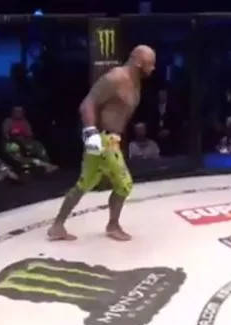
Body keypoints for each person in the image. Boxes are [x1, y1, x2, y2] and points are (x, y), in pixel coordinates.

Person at [47, 45, 156, 242]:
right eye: (151, 63)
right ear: (139, 62)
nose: (153, 67)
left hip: (111, 138)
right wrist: (90, 132)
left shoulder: (136, 81)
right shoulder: (116, 77)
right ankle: (113, 225)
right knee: (124, 184)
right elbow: (87, 104)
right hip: (104, 139)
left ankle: (57, 225)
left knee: (85, 182)